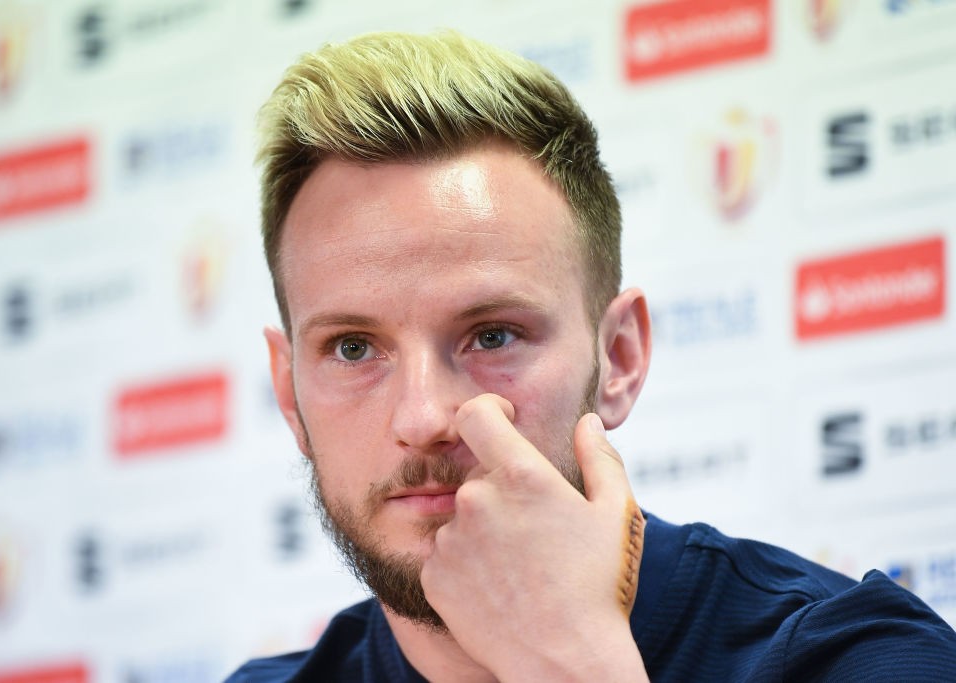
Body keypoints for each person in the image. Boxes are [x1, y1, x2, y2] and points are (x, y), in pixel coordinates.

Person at [226, 31, 956, 682]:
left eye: (492, 335)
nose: (423, 417)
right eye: (353, 348)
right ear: (289, 394)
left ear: (620, 357)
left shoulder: (860, 658)